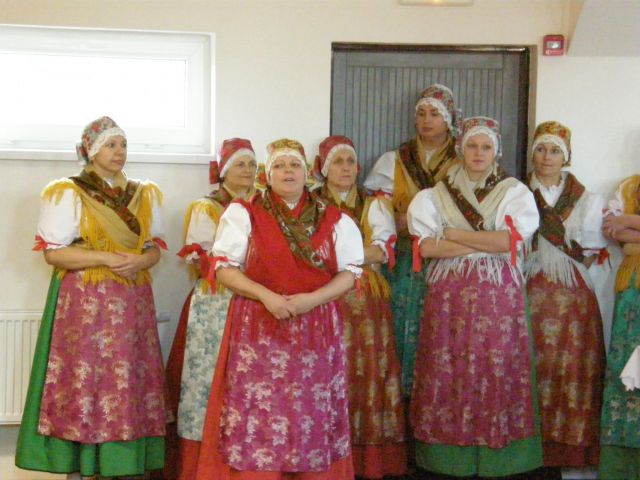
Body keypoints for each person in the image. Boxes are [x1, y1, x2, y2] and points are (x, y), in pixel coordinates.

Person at [195, 138, 364, 480]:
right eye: (280, 166)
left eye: (295, 165)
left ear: (307, 173)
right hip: (260, 324)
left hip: (315, 326)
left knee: (310, 409)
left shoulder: (335, 219)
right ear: (266, 175)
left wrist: (312, 300)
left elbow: (351, 273)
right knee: (261, 409)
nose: (288, 172)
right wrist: (266, 297)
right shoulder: (243, 214)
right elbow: (224, 269)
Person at [15, 116, 167, 479]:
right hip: (85, 303)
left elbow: (153, 249)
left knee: (128, 380)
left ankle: (124, 465)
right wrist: (106, 258)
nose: (119, 152)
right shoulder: (68, 191)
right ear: (91, 151)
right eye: (110, 145)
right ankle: (81, 465)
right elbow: (54, 254)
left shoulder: (142, 194)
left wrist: (142, 260)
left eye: (123, 144)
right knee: (85, 380)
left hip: (131, 301)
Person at [407, 116, 542, 477]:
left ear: (496, 151)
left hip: (498, 295)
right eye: (472, 145)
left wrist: (453, 233)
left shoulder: (514, 192)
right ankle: (449, 458)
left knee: (495, 365)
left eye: (486, 147)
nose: (478, 153)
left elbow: (510, 242)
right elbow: (428, 248)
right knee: (448, 364)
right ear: (460, 148)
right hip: (449, 295)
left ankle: (498, 457)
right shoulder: (435, 194)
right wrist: (483, 243)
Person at [312, 135, 406, 479]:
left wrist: (330, 257)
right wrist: (354, 256)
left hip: (365, 300)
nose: (346, 168)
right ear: (324, 169)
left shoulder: (373, 204)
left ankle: (366, 458)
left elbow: (382, 250)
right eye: (338, 162)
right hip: (322, 298)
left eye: (350, 162)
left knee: (364, 371)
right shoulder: (310, 204)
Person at [164, 138, 258, 480]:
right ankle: (203, 460)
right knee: (209, 375)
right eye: (240, 164)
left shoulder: (264, 205)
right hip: (217, 299)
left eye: (252, 164)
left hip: (254, 298)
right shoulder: (207, 207)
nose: (247, 170)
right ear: (224, 171)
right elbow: (203, 261)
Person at [364, 83, 461, 396]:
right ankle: (399, 398)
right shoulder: (395, 160)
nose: (426, 120)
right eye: (421, 113)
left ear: (449, 119)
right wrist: (402, 224)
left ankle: (439, 396)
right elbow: (381, 213)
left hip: (449, 256)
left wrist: (419, 222)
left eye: (434, 113)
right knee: (399, 322)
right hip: (404, 257)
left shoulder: (464, 159)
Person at [525, 121, 607, 473]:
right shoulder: (515, 193)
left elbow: (589, 252)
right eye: (541, 149)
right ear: (532, 154)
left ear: (566, 156)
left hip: (572, 300)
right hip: (527, 294)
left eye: (555, 150)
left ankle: (565, 452)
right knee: (529, 366)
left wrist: (560, 271)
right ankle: (525, 451)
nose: (547, 157)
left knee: (571, 369)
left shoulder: (586, 198)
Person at [598, 174, 640, 479]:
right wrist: (624, 228)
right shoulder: (629, 186)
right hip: (632, 288)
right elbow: (611, 230)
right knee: (625, 369)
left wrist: (627, 221)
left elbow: (621, 228)